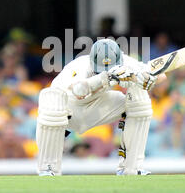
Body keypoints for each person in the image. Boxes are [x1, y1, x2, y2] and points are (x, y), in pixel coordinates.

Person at [36, 39, 165, 176]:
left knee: (139, 94)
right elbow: (78, 91)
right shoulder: (80, 65)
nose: (104, 72)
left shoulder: (126, 62)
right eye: (100, 70)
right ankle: (48, 169)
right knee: (52, 97)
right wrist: (106, 77)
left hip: (95, 108)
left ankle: (131, 169)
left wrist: (144, 78)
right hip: (64, 115)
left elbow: (162, 76)